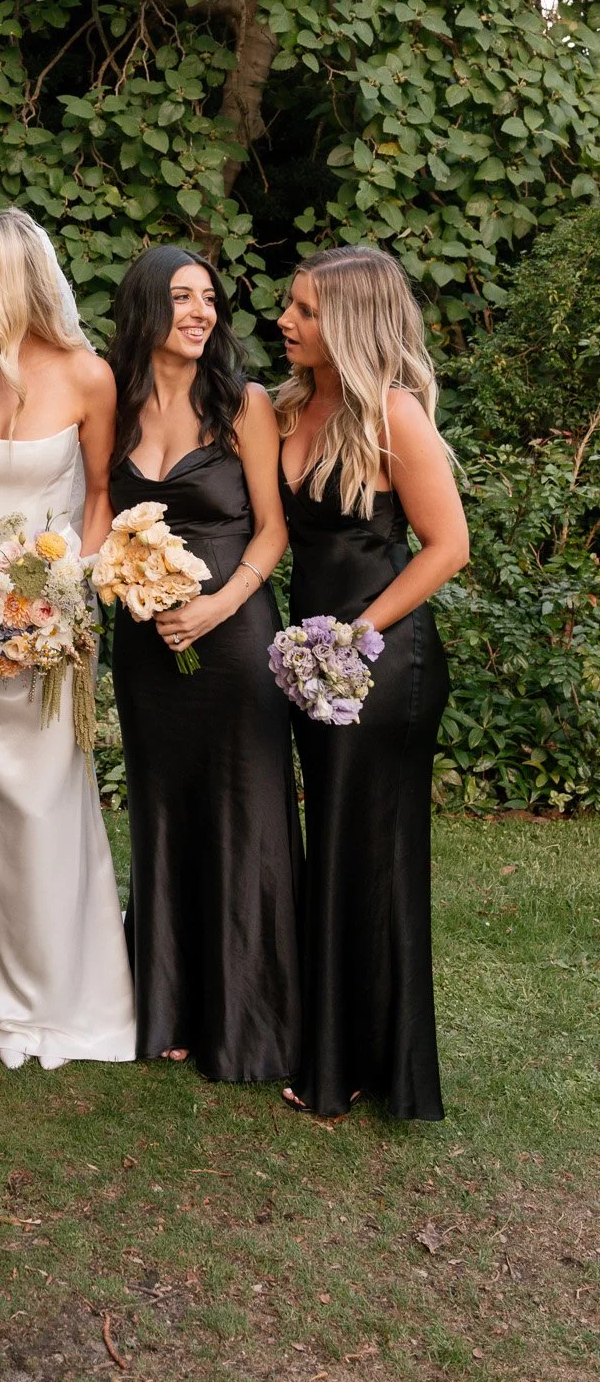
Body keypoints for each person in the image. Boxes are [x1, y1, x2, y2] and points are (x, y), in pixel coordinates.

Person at [0, 208, 135, 1069]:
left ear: (4, 282)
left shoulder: (88, 377)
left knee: (48, 798)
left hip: (52, 627)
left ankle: (59, 983)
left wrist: (61, 595)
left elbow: (96, 501)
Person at [276, 245, 469, 1120]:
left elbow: (447, 546)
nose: (285, 321)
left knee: (368, 850)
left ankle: (363, 1065)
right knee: (334, 845)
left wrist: (359, 634)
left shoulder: (393, 415)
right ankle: (327, 1044)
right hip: (311, 659)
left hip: (381, 660)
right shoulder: (290, 406)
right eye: (289, 306)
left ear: (349, 323)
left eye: (306, 312)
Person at [107, 246, 299, 1081]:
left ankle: (247, 1019)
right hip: (145, 648)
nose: (199, 312)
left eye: (208, 299)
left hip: (233, 635)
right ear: (145, 309)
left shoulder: (242, 403)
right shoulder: (112, 407)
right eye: (180, 298)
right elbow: (93, 517)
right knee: (162, 810)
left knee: (244, 811)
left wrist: (220, 605)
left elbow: (273, 527)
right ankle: (171, 1003)